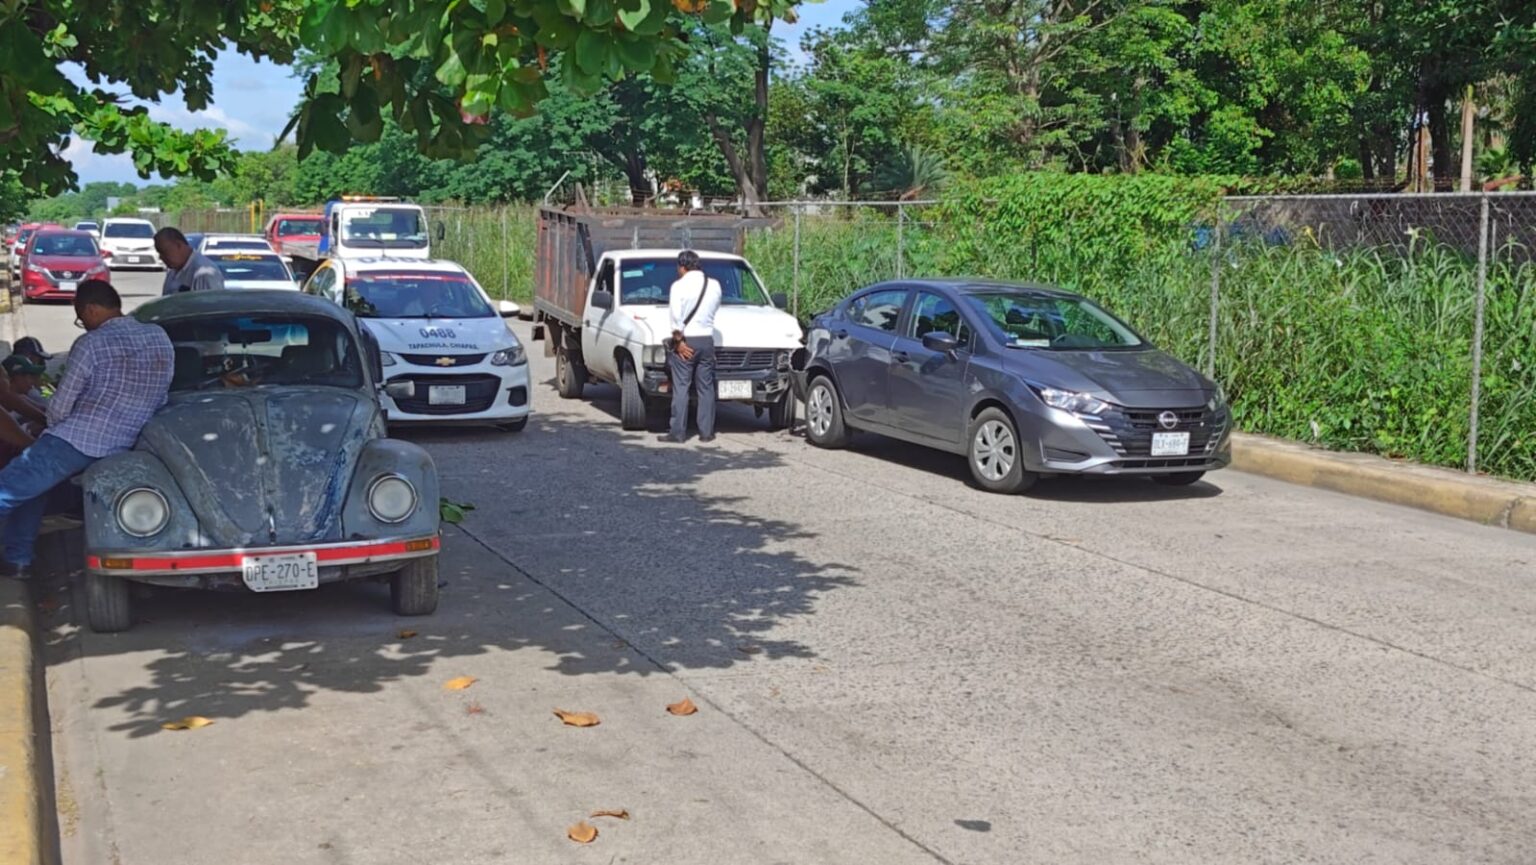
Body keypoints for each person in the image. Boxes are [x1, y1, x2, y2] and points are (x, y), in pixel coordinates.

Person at [0, 281, 174, 579]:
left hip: (76, 440)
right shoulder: (158, 337)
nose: (84, 325)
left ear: (92, 309)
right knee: (34, 492)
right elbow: (162, 396)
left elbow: (60, 407)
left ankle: (19, 557)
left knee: (8, 489)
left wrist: (50, 426)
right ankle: (17, 560)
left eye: (81, 318)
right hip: (125, 444)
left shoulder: (91, 344)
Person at [660, 250, 723, 445]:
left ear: (682, 267)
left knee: (681, 387)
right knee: (706, 387)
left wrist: (679, 343)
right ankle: (706, 432)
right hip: (706, 340)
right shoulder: (714, 285)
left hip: (687, 341)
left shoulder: (678, 286)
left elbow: (676, 319)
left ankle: (677, 432)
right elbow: (714, 309)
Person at [155, 227, 225, 295]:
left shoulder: (204, 275)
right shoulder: (172, 272)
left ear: (179, 245)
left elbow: (209, 306)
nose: (160, 257)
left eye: (163, 252)